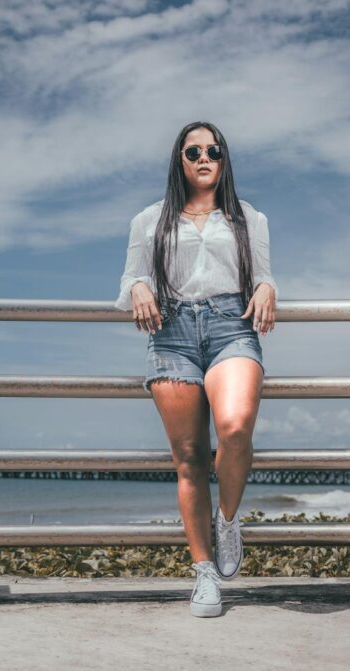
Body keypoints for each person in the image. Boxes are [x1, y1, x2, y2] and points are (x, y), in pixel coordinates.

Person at [114, 121, 278, 617]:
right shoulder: (150, 220)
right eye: (193, 151)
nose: (204, 157)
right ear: (179, 160)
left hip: (232, 326)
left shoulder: (249, 218)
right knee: (188, 459)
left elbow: (264, 275)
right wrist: (139, 287)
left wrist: (268, 287)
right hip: (173, 332)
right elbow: (130, 277)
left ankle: (228, 522)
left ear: (224, 159)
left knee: (233, 428)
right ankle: (205, 574)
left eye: (213, 150)